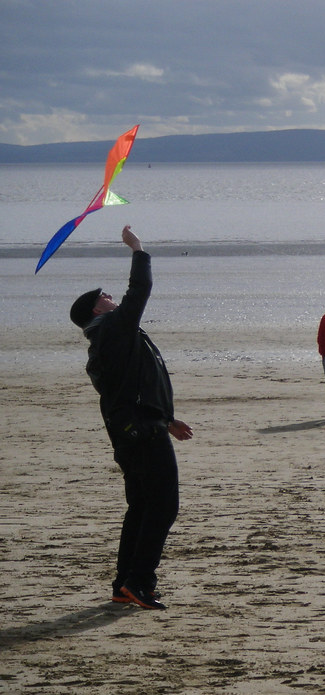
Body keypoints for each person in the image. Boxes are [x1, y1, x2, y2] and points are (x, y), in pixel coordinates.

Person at [70, 225, 193, 610]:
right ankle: (139, 582)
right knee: (163, 506)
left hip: (138, 430)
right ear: (97, 309)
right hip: (139, 435)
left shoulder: (111, 336)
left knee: (142, 506)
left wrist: (166, 418)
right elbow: (139, 291)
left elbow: (134, 385)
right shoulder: (112, 329)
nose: (111, 298)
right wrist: (138, 249)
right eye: (105, 296)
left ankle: (125, 583)